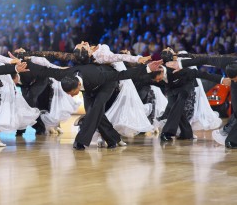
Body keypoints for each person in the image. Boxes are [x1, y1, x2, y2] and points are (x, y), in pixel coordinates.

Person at [15, 59, 162, 150]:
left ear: (78, 85)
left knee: (96, 108)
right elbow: (44, 70)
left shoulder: (98, 76)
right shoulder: (64, 76)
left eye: (73, 92)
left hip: (106, 83)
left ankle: (80, 142)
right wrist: (20, 63)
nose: (72, 96)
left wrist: (148, 69)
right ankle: (114, 139)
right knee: (92, 110)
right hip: (90, 86)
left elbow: (122, 75)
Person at [154, 49, 228, 142]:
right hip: (172, 87)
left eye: (169, 49)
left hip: (185, 85)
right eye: (166, 49)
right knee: (175, 107)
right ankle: (187, 133)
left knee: (178, 105)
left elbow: (199, 73)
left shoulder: (181, 63)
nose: (168, 49)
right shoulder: (161, 66)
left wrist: (221, 80)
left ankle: (167, 132)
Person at [166, 55, 237, 148]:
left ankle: (232, 138)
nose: (234, 80)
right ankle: (232, 139)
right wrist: (181, 64)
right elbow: (205, 59)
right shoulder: (227, 62)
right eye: (233, 78)